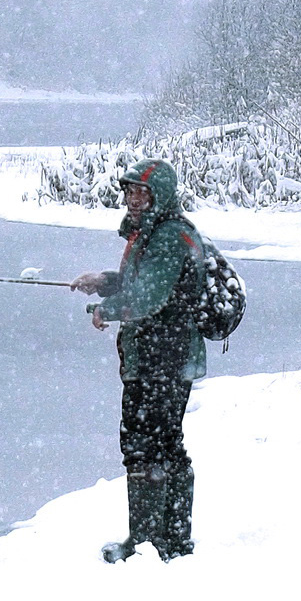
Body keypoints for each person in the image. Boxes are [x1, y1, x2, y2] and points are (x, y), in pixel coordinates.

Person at [70, 158, 206, 563]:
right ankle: (169, 540)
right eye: (129, 191)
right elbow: (147, 283)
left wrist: (106, 310)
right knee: (162, 445)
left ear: (158, 195)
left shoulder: (167, 237)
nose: (133, 199)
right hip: (163, 356)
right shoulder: (157, 234)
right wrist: (106, 281)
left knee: (147, 446)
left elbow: (151, 297)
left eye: (141, 192)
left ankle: (151, 544)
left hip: (162, 357)